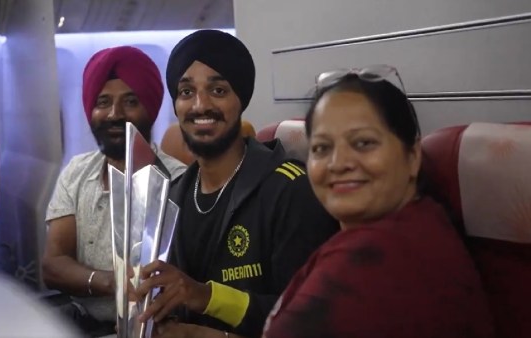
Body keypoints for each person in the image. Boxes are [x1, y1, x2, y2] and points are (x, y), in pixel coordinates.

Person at [130, 30, 340, 338]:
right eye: (186, 92)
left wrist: (204, 299)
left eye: (218, 90)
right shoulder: (171, 197)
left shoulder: (290, 191)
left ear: (240, 100)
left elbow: (306, 320)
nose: (200, 105)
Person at [262, 66, 495, 338]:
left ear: (413, 156)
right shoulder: (420, 225)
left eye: (363, 143)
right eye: (322, 148)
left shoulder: (376, 263)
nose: (338, 163)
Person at [42, 46, 187, 337]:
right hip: (82, 320)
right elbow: (53, 266)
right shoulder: (76, 172)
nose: (114, 114)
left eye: (130, 101)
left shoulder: (178, 182)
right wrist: (113, 282)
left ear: (150, 109)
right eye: (102, 102)